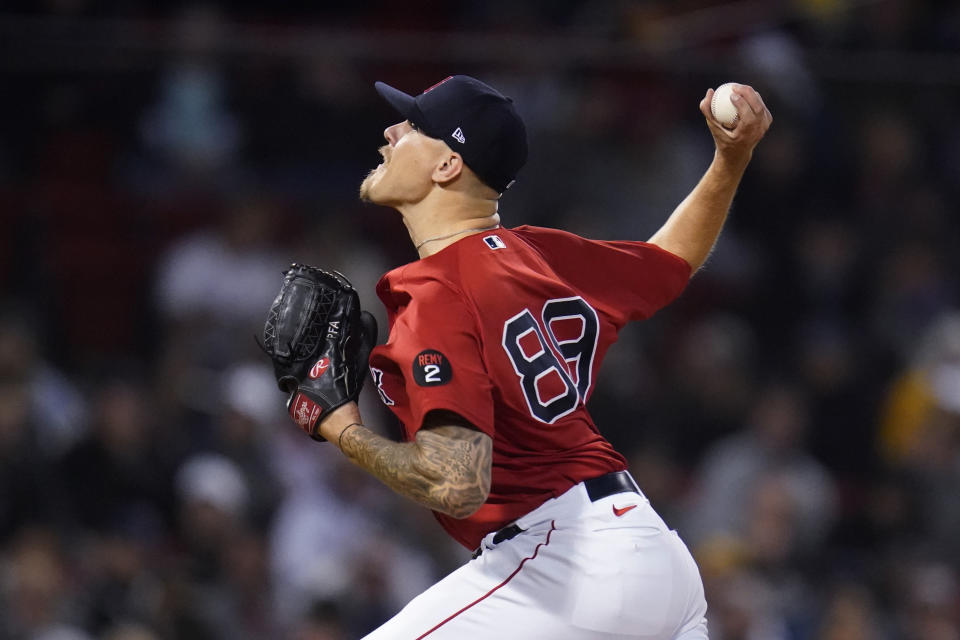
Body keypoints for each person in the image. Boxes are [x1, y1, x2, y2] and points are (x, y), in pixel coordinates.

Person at [308, 75, 771, 639]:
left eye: (410, 126)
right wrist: (731, 158)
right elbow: (669, 261)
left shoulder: (437, 292)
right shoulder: (535, 254)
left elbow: (458, 483)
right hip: (653, 555)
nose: (389, 131)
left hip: (566, 562)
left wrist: (343, 431)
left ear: (447, 166)